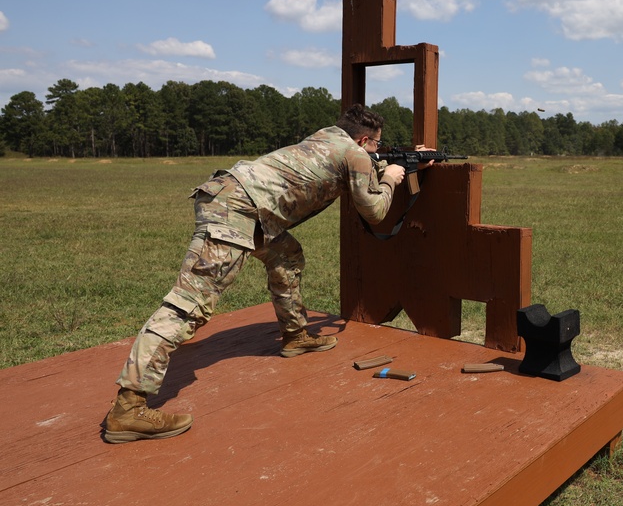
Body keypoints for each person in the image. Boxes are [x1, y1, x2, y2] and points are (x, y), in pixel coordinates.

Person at [103, 104, 408, 443]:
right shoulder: (356, 154)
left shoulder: (328, 138)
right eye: (377, 145)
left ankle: (295, 335)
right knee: (188, 305)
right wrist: (390, 180)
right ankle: (128, 407)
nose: (378, 151)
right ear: (363, 139)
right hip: (237, 212)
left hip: (247, 207)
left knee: (287, 256)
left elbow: (359, 161)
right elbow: (376, 211)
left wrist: (394, 160)